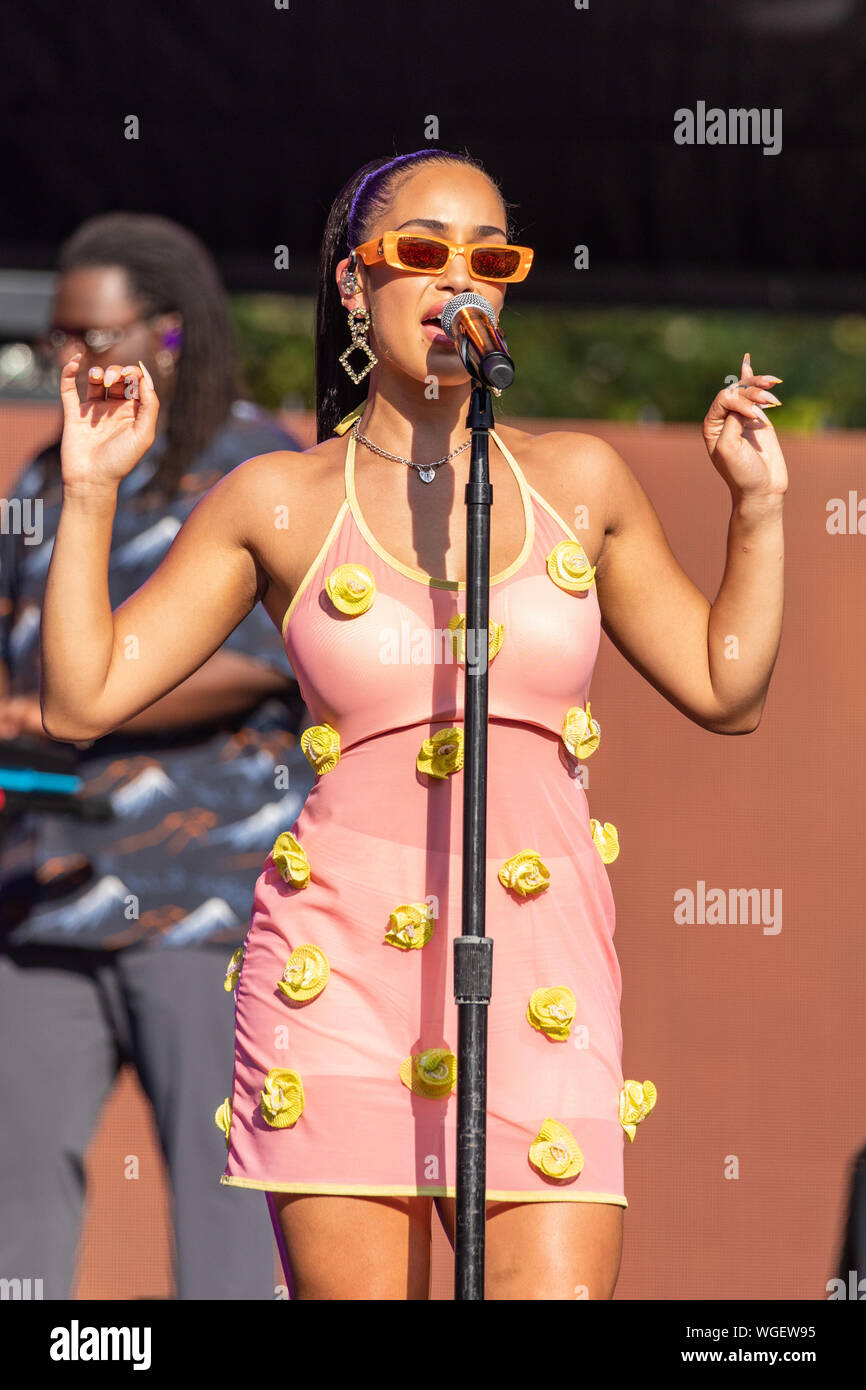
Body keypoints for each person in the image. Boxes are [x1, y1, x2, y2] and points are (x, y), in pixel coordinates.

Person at [37, 150, 787, 1301]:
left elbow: (724, 687)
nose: (461, 283)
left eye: (490, 260)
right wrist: (91, 491)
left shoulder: (576, 483)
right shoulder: (279, 500)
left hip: (538, 969)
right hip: (337, 979)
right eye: (424, 254)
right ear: (352, 284)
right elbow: (86, 694)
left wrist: (759, 508)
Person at [0, 212, 316, 1300]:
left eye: (92, 335)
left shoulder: (260, 467)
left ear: (171, 334)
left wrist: (59, 713)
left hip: (205, 902)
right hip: (42, 895)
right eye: (55, 342)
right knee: (15, 1221)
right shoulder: (46, 475)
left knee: (229, 1218)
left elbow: (265, 660)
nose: (69, 363)